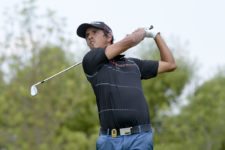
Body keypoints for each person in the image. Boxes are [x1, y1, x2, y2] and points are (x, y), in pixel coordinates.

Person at [76, 21, 176, 150]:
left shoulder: (134, 64)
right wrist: (142, 32)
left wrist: (156, 35)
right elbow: (131, 40)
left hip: (140, 138)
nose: (89, 37)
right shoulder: (91, 61)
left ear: (109, 36)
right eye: (87, 35)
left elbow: (170, 64)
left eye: (94, 32)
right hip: (109, 141)